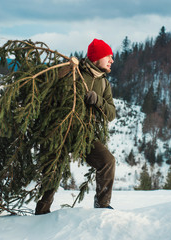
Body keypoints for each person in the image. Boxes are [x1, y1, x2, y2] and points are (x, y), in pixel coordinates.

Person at [35, 38, 116, 215]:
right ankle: (41, 212)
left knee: (107, 161)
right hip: (61, 131)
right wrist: (63, 71)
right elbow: (47, 87)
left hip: (84, 135)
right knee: (53, 171)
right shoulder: (75, 72)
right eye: (108, 56)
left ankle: (102, 205)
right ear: (96, 57)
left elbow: (111, 114)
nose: (112, 60)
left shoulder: (104, 83)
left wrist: (98, 100)